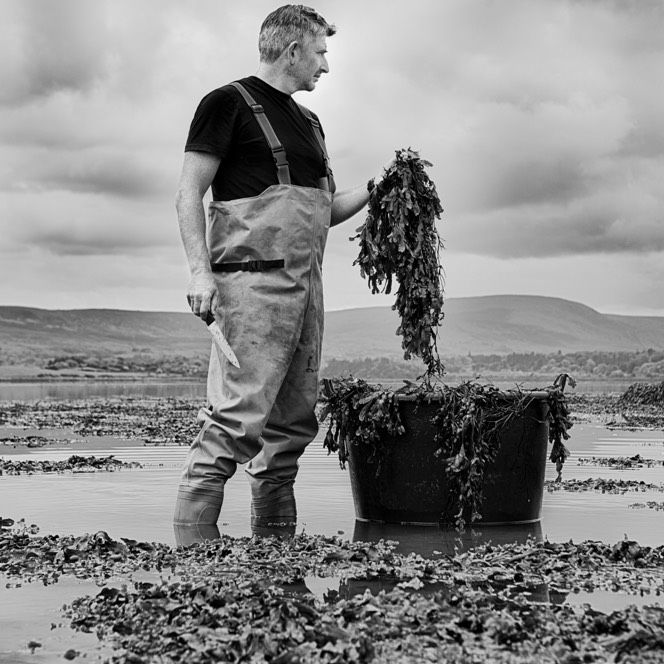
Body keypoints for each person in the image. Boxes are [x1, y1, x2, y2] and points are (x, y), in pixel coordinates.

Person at [173, 4, 384, 544]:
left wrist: (378, 188)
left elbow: (325, 209)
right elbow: (187, 192)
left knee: (291, 425)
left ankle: (276, 552)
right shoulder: (226, 104)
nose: (326, 67)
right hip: (250, 287)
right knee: (236, 419)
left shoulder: (309, 122)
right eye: (320, 53)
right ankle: (190, 560)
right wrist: (200, 274)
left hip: (306, 288)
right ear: (292, 50)